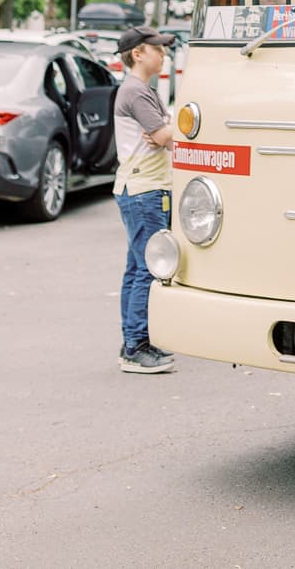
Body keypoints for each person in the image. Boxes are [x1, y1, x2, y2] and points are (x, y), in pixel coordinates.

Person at [113, 26, 176, 374]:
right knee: (148, 270)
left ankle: (133, 341)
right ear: (138, 53)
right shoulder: (136, 92)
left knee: (137, 268)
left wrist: (166, 130)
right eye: (157, 49)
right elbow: (164, 135)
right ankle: (137, 347)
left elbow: (163, 133)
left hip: (137, 188)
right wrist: (173, 129)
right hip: (145, 190)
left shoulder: (140, 90)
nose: (163, 54)